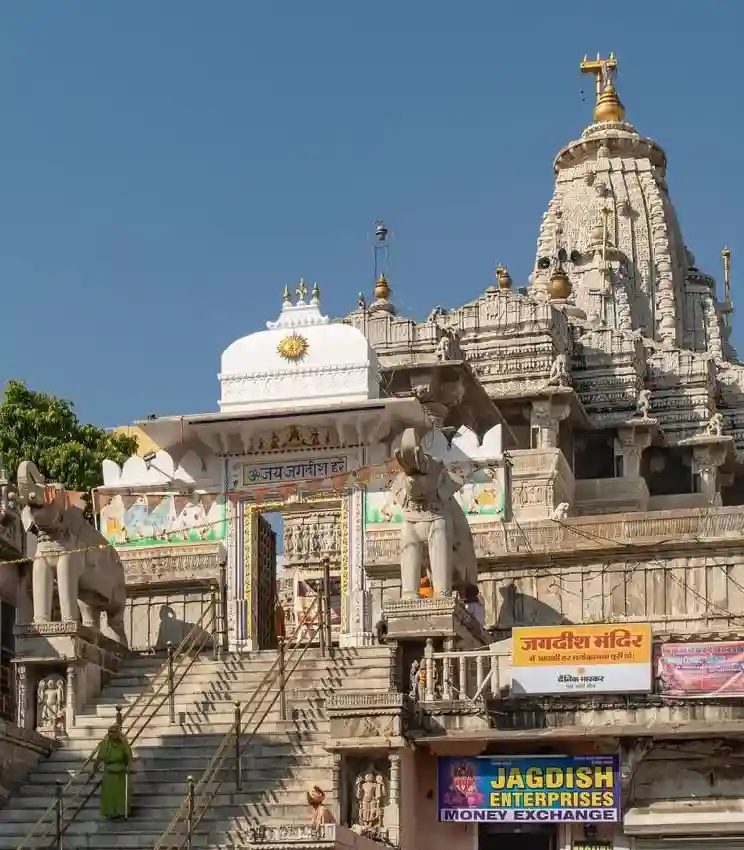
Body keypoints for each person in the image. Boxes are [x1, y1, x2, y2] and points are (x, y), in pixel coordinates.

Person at [93, 724, 133, 819]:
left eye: (114, 732)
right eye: (110, 732)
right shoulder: (105, 743)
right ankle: (110, 813)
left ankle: (122, 812)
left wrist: (129, 767)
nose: (112, 734)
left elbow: (129, 757)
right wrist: (94, 769)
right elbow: (99, 758)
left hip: (121, 773)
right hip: (109, 773)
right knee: (110, 795)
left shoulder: (123, 743)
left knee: (120, 795)